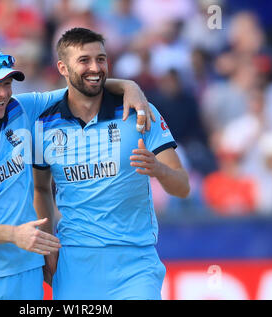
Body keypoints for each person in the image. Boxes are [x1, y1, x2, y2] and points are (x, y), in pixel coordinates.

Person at [0, 45, 153, 300]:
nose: (3, 93)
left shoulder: (19, 109)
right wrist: (13, 234)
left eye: (7, 84)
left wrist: (128, 87)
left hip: (29, 274)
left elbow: (79, 90)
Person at [33, 28, 190, 300]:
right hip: (75, 264)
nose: (95, 67)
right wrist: (48, 247)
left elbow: (183, 187)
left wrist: (158, 169)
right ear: (62, 67)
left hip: (136, 262)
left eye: (101, 59)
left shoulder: (140, 111)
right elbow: (41, 189)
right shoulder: (44, 124)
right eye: (84, 60)